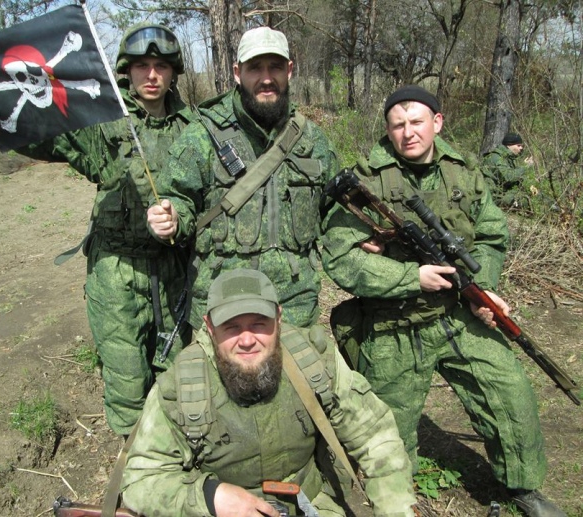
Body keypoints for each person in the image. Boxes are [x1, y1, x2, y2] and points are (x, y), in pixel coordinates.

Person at [0, 23, 195, 437]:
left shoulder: (192, 128)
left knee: (180, 379)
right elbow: (37, 133)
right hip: (116, 274)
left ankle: (175, 458)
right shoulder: (101, 117)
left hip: (175, 273)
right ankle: (133, 461)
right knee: (128, 382)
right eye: (142, 66)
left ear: (174, 72)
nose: (151, 75)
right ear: (126, 70)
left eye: (161, 66)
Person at [321, 85, 566, 517]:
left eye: (417, 122)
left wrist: (481, 288)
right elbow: (340, 257)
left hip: (456, 314)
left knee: (511, 394)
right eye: (398, 125)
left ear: (437, 122)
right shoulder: (366, 181)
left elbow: (491, 234)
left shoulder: (463, 172)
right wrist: (410, 277)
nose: (408, 132)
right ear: (388, 130)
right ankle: (398, 501)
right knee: (386, 434)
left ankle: (523, 487)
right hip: (394, 325)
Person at [120, 268, 417, 517]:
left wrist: (395, 509)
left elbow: (375, 436)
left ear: (278, 317)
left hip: (312, 503)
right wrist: (211, 497)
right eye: (231, 327)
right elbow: (141, 480)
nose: (247, 340)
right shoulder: (183, 386)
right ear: (209, 326)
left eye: (259, 324)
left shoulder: (312, 361)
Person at [147, 26, 339, 331]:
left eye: (275, 67)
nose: (266, 78)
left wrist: (357, 237)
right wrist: (170, 218)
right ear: (237, 73)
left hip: (295, 310)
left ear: (289, 70)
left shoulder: (313, 140)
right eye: (255, 68)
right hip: (224, 313)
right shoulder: (203, 135)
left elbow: (335, 212)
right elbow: (177, 199)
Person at [481, 132, 529, 210]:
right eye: (518, 145)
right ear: (509, 145)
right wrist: (525, 167)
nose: (521, 148)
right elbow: (508, 177)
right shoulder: (495, 158)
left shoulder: (509, 159)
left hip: (502, 194)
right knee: (525, 201)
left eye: (521, 146)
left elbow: (514, 177)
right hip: (493, 197)